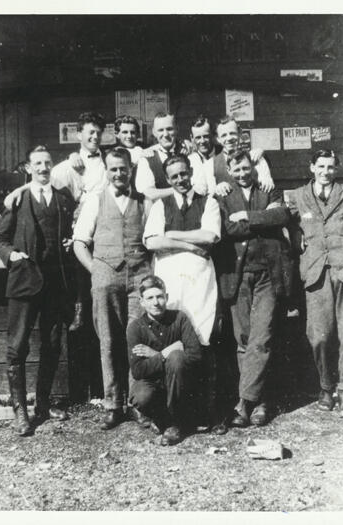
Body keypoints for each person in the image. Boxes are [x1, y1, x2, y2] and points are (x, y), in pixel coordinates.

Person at [0, 146, 75, 436]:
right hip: (25, 283)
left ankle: (42, 404)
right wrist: (11, 254)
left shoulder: (64, 201)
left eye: (47, 163)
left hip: (55, 285)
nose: (43, 168)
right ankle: (20, 411)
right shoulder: (18, 200)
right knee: (18, 347)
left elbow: (71, 236)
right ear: (28, 168)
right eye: (37, 164)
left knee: (52, 344)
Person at [3, 112, 108, 331]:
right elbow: (41, 184)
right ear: (79, 134)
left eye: (99, 132)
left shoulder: (110, 161)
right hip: (81, 236)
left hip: (106, 232)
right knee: (78, 300)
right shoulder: (64, 168)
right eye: (90, 132)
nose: (95, 137)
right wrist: (18, 191)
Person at [73, 148, 152, 430]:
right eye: (113, 169)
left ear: (131, 170)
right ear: (106, 171)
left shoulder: (144, 202)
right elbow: (80, 243)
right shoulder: (95, 200)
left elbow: (153, 239)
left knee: (137, 340)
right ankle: (113, 404)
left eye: (123, 169)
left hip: (139, 279)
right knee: (108, 342)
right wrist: (97, 271)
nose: (119, 174)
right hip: (106, 278)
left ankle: (138, 404)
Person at [143, 153, 223, 431]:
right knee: (173, 346)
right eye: (174, 176)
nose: (180, 179)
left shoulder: (208, 202)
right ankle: (174, 415)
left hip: (200, 282)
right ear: (168, 179)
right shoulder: (160, 205)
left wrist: (172, 234)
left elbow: (210, 236)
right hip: (171, 280)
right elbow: (152, 241)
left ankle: (208, 413)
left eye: (183, 173)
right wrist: (189, 244)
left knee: (202, 342)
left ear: (191, 172)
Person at [214, 148, 292, 427]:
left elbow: (281, 216)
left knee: (262, 337)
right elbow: (228, 230)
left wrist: (246, 215)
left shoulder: (269, 190)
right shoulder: (222, 196)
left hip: (267, 276)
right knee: (244, 338)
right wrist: (262, 221)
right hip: (238, 276)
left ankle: (246, 402)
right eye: (236, 170)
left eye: (246, 168)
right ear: (229, 171)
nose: (242, 174)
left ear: (253, 168)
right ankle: (258, 400)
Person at [287, 149, 343, 418]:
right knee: (318, 335)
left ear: (337, 169)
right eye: (321, 166)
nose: (325, 171)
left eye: (331, 167)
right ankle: (326, 385)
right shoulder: (298, 196)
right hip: (316, 269)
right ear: (311, 167)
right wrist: (296, 237)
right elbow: (288, 223)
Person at [127, 275, 202, 445]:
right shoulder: (135, 328)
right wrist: (163, 353)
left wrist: (155, 354)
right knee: (141, 396)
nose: (156, 302)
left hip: (179, 383)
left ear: (166, 297)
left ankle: (175, 423)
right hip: (153, 384)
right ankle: (159, 417)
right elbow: (138, 371)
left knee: (176, 357)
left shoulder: (179, 318)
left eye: (160, 297)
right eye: (150, 298)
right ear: (141, 302)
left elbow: (195, 355)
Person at [202, 115, 274, 197]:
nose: (229, 138)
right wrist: (217, 188)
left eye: (232, 133)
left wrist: (266, 180)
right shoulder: (210, 164)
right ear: (218, 139)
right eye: (224, 135)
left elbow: (267, 184)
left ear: (240, 133)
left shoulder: (256, 157)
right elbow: (210, 193)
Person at [135, 112, 191, 201]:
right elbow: (148, 192)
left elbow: (200, 186)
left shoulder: (189, 151)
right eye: (160, 130)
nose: (165, 134)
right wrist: (180, 189)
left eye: (169, 129)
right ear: (154, 132)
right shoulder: (147, 157)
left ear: (177, 129)